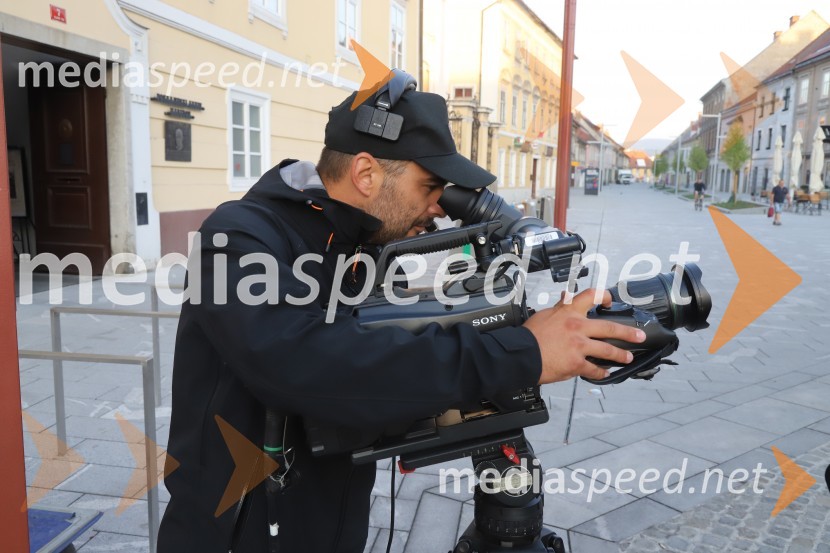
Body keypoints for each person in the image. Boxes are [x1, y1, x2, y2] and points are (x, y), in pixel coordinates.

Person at [156, 83, 645, 553]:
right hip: (233, 535)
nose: (438, 207)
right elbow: (306, 362)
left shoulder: (356, 246)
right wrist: (524, 353)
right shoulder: (237, 236)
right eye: (430, 186)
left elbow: (383, 357)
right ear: (367, 174)